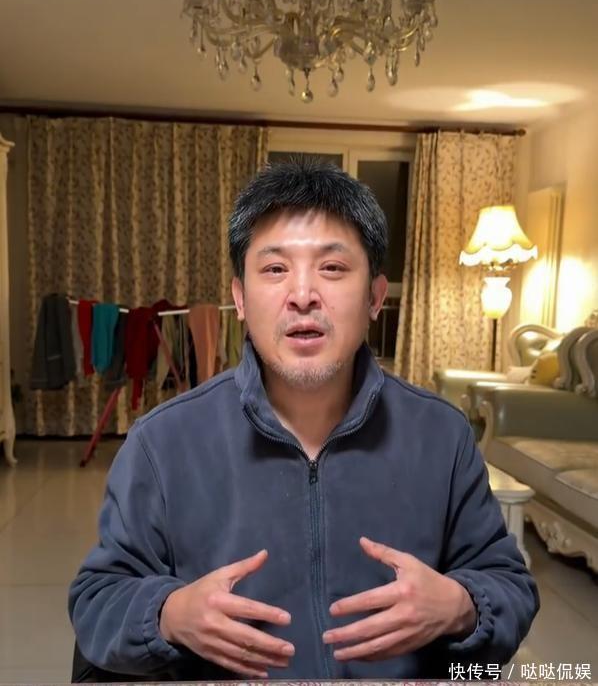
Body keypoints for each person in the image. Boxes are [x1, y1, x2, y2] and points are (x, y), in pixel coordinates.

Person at [68, 159, 539, 681]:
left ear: (375, 297)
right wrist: (170, 613)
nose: (302, 295)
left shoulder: (442, 435)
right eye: (275, 269)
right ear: (240, 298)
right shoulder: (162, 442)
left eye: (332, 268)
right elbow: (97, 600)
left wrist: (460, 604)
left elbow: (509, 585)